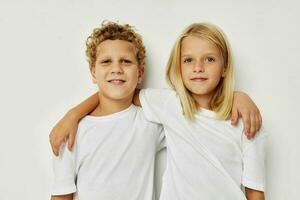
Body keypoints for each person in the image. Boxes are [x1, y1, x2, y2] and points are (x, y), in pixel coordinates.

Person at [50, 23, 264, 200]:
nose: (198, 67)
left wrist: (238, 95)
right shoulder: (169, 107)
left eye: (209, 59)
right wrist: (73, 114)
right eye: (189, 60)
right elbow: (117, 92)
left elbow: (255, 190)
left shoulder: (244, 121)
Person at [51, 21, 165, 200]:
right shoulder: (72, 132)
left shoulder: (151, 122)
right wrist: (74, 115)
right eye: (106, 62)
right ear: (93, 73)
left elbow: (187, 108)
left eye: (126, 62)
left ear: (140, 73)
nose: (116, 69)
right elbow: (61, 196)